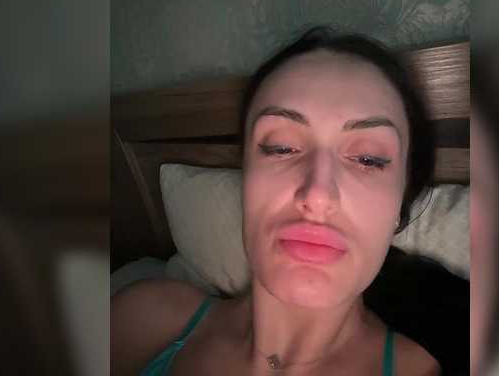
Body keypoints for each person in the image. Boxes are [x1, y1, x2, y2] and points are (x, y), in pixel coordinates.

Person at [112, 27, 441, 375]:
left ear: (400, 204)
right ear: (245, 176)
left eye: (368, 159)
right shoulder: (142, 320)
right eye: (281, 148)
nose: (317, 194)